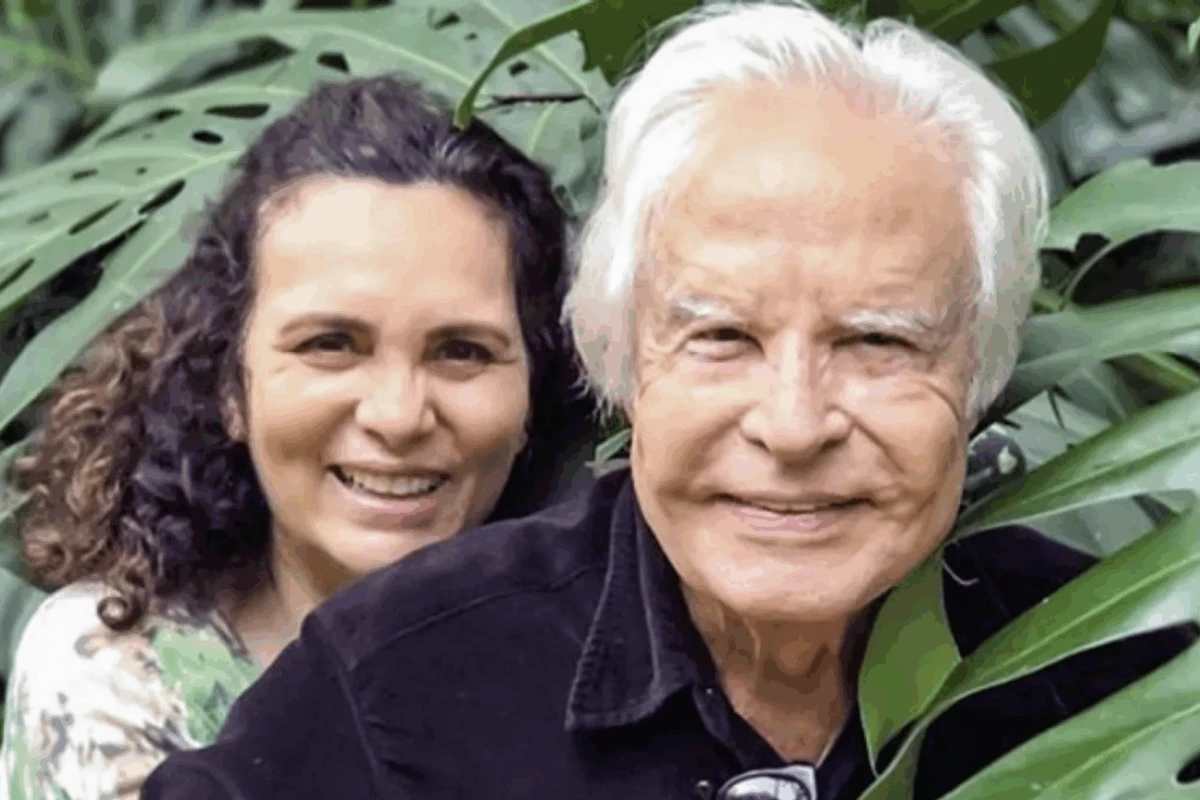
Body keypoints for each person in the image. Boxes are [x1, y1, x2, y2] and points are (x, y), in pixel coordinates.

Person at [142, 4, 1192, 800]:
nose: (792, 425)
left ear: (977, 366)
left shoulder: (1119, 675)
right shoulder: (397, 688)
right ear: (623, 357)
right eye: (722, 337)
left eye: (877, 341)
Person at [0, 74, 595, 800]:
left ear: (536, 389)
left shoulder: (616, 661)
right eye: (331, 344)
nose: (398, 415)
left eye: (461, 351)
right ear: (230, 384)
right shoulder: (121, 671)